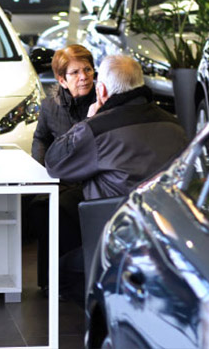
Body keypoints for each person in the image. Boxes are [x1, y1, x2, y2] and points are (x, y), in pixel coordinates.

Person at [44, 54, 188, 300]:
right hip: (168, 239)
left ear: (101, 89)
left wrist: (90, 119)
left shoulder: (97, 129)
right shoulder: (175, 125)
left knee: (61, 274)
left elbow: (55, 162)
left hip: (116, 238)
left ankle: (105, 316)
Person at [29, 44, 96, 294]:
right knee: (40, 206)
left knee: (60, 209)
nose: (84, 77)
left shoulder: (102, 101)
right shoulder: (50, 107)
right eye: (75, 72)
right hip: (61, 176)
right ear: (62, 79)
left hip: (91, 176)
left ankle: (69, 279)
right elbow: (41, 138)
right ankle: (50, 280)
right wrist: (42, 170)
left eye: (88, 69)